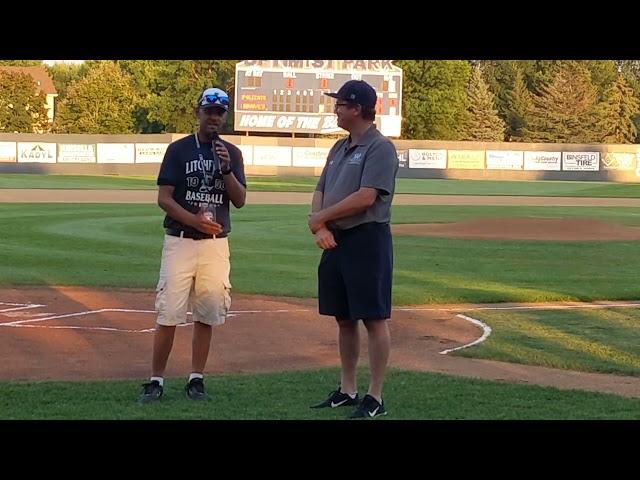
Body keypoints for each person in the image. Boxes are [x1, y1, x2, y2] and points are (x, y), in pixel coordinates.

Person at [138, 87, 246, 403]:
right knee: (169, 312)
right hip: (180, 241)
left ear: (225, 116)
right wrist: (193, 220)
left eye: (220, 112)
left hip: (215, 244)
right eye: (208, 110)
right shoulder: (179, 150)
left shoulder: (232, 153)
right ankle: (156, 380)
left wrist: (225, 169)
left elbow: (239, 200)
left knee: (207, 312)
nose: (214, 116)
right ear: (198, 112)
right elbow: (164, 198)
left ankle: (196, 379)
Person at [308, 80, 399, 418]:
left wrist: (320, 219)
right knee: (344, 318)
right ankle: (348, 389)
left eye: (341, 104)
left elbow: (366, 197)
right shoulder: (338, 147)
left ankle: (375, 397)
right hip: (336, 240)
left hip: (366, 238)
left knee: (373, 318)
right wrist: (320, 225)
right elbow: (321, 187)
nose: (336, 109)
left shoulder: (380, 148)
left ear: (357, 108)